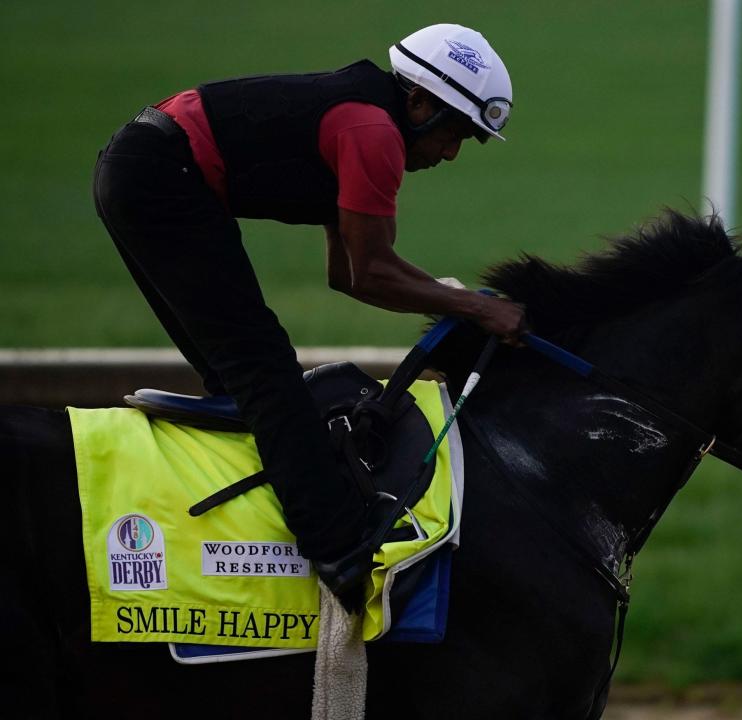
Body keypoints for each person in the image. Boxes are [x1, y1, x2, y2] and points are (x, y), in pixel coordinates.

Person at [92, 23, 527, 582]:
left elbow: (345, 273)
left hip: (140, 166)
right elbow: (371, 274)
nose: (450, 153)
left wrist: (453, 299)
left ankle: (254, 525)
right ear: (418, 101)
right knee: (265, 369)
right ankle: (341, 550)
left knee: (241, 379)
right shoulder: (374, 133)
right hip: (159, 175)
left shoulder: (361, 114)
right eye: (455, 133)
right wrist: (479, 309)